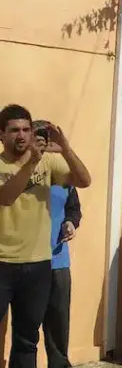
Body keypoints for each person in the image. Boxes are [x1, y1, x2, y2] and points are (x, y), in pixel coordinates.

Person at [0, 105, 92, 368]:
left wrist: (66, 147)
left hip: (38, 264)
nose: (22, 135)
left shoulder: (50, 162)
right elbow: (6, 198)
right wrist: (31, 162)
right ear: (1, 135)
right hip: (2, 262)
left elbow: (84, 180)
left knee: (27, 340)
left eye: (26, 130)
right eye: (14, 130)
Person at [40, 120, 81, 368]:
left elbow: (73, 208)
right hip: (24, 259)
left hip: (58, 259)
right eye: (43, 142)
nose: (49, 148)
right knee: (26, 323)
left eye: (53, 142)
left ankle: (59, 364)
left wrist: (70, 222)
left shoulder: (65, 175)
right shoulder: (22, 172)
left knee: (58, 321)